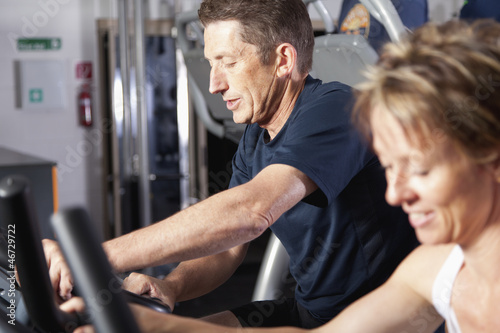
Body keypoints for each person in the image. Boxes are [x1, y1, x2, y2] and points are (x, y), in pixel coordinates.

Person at [63, 18, 500, 333]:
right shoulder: (430, 271)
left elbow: (249, 213)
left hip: (358, 308)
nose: (214, 83)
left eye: (228, 62)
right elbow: (232, 245)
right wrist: (169, 288)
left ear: (283, 59)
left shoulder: (331, 107)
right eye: (391, 168)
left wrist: (91, 257)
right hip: (312, 311)